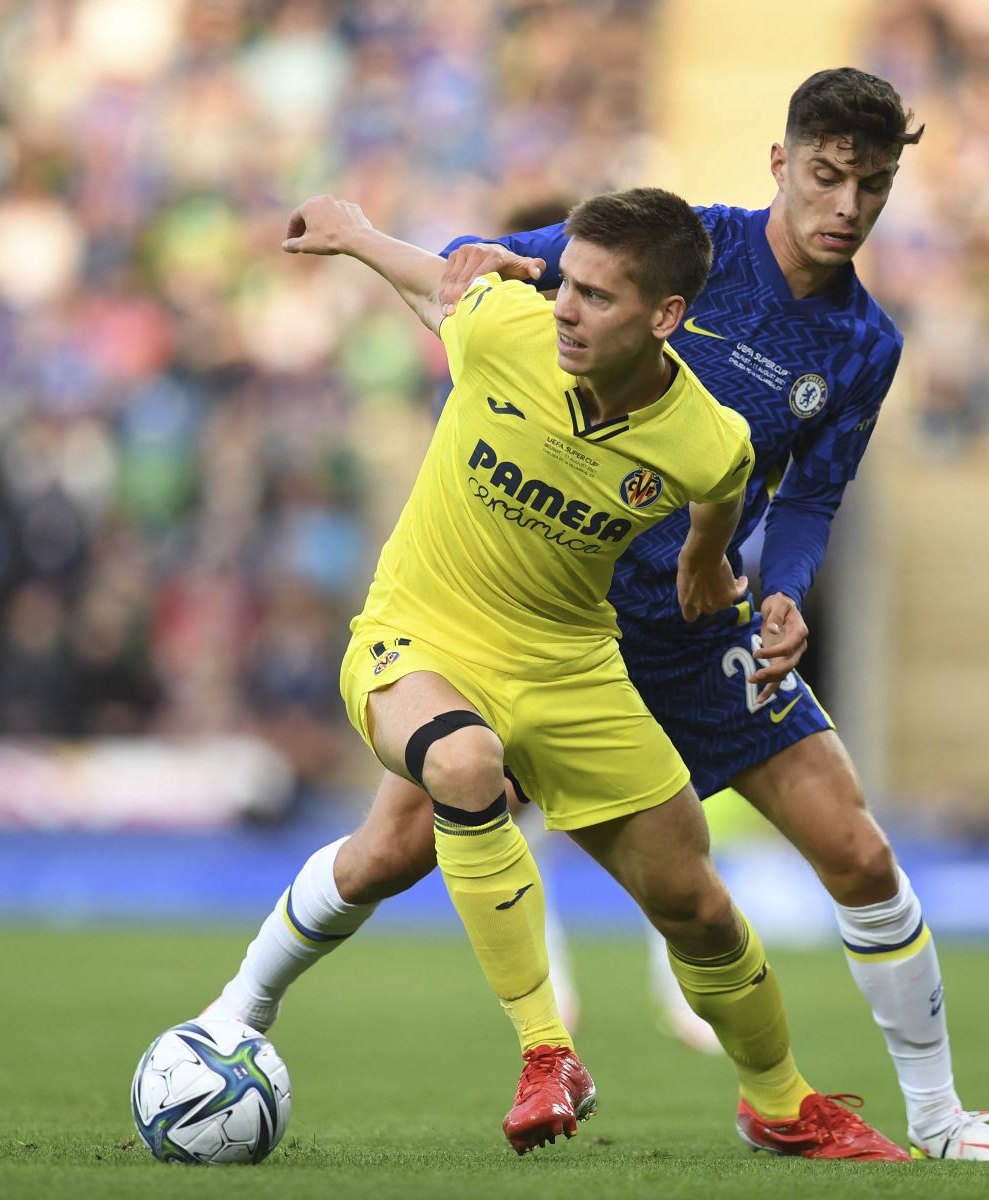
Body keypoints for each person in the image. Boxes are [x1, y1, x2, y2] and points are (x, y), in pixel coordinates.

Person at [210, 68, 989, 1164]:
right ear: (782, 163)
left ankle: (935, 1120)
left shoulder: (864, 344)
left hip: (699, 631)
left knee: (854, 851)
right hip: (553, 614)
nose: (846, 205)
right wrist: (455, 246)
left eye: (874, 185)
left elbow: (808, 491)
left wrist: (784, 587)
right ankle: (235, 1015)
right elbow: (504, 260)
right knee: (391, 847)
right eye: (828, 175)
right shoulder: (685, 246)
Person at [270, 186, 907, 1160]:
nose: (565, 307)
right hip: (428, 637)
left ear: (664, 320)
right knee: (458, 773)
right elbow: (434, 282)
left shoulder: (706, 436)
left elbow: (727, 488)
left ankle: (780, 1102)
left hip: (573, 665)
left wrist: (705, 562)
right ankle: (544, 1049)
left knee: (694, 902)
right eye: (565, 285)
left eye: (594, 295)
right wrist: (355, 236)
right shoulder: (505, 327)